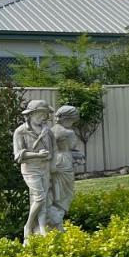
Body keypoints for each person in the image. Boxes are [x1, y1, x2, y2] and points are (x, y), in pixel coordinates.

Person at [13, 99, 55, 241]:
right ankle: (28, 226)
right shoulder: (20, 131)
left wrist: (50, 158)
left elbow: (53, 149)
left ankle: (42, 227)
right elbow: (18, 156)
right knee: (39, 197)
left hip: (45, 168)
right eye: (40, 114)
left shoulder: (47, 130)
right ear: (31, 114)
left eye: (45, 114)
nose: (43, 117)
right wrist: (37, 155)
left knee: (42, 200)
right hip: (30, 169)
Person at [48, 105, 83, 230]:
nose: (73, 123)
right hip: (64, 162)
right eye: (72, 120)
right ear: (68, 119)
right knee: (65, 194)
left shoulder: (50, 130)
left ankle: (54, 222)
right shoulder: (68, 133)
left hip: (53, 162)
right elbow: (72, 147)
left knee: (55, 192)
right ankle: (56, 222)